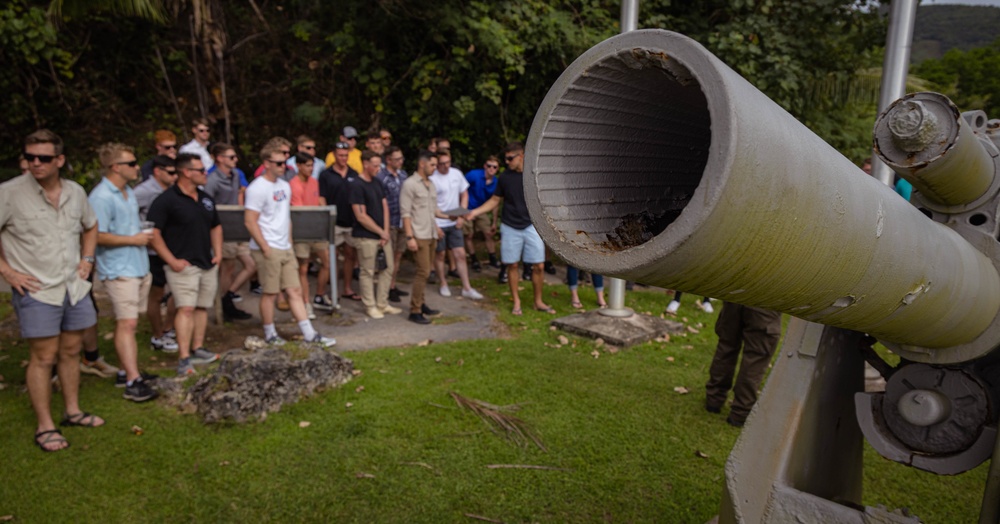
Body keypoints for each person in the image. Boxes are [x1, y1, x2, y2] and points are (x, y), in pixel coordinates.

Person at [0, 129, 105, 451]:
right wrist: (7, 271)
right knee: (43, 357)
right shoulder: (9, 193)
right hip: (37, 289)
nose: (35, 163)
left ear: (60, 160)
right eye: (30, 157)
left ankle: (72, 411)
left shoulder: (75, 191)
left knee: (72, 351)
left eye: (43, 158)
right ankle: (45, 426)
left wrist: (87, 259)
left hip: (72, 287)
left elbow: (90, 226)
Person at [244, 144, 336, 346]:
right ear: (266, 164)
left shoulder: (284, 186)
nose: (283, 166)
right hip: (267, 246)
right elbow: (250, 221)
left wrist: (289, 242)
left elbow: (286, 217)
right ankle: (270, 333)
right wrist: (265, 247)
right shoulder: (257, 188)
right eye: (278, 163)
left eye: (284, 162)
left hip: (285, 246)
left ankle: (309, 333)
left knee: (294, 290)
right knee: (269, 292)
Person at [88, 142, 158, 402]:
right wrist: (133, 240)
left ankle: (128, 371)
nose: (137, 167)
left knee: (130, 322)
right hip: (118, 268)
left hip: (137, 264)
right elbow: (96, 235)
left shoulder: (127, 191)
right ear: (115, 167)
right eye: (131, 163)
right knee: (126, 323)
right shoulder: (101, 197)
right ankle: (132, 380)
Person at [147, 153, 222, 376]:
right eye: (201, 170)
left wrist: (217, 252)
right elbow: (154, 232)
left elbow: (216, 226)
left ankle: (197, 347)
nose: (205, 174)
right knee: (186, 308)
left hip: (206, 262)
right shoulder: (166, 200)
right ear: (186, 172)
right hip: (182, 264)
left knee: (201, 306)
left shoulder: (206, 198)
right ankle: (183, 357)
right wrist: (170, 260)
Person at [467, 142, 552, 315]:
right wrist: (474, 212)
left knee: (539, 266)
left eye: (510, 158)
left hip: (531, 225)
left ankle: (538, 301)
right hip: (510, 226)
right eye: (506, 158)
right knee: (512, 265)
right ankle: (517, 302)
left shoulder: (533, 174)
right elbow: (494, 200)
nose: (507, 162)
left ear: (521, 155)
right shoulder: (505, 177)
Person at [705, 303, 782, 427]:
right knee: (756, 357)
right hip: (765, 300)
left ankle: (714, 399)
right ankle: (740, 412)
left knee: (726, 346)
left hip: (737, 293)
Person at [350, 150, 404, 319]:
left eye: (379, 165)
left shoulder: (377, 182)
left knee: (387, 268)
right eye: (374, 165)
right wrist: (381, 231)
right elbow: (361, 216)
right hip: (365, 236)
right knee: (368, 271)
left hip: (382, 235)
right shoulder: (356, 185)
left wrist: (385, 231)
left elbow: (385, 206)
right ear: (365, 164)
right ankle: (370, 305)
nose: (378, 168)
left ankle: (382, 302)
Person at [204, 143, 254, 321]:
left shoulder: (234, 175)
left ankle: (227, 297)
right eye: (231, 157)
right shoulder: (212, 179)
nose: (235, 160)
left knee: (250, 265)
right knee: (227, 268)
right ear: (219, 158)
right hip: (222, 229)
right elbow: (206, 204)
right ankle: (222, 306)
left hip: (237, 227)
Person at [134, 155, 179, 352]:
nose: (175, 176)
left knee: (178, 292)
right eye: (170, 172)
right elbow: (129, 216)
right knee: (156, 293)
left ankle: (168, 328)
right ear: (157, 172)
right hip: (152, 252)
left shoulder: (174, 190)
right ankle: (157, 335)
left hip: (174, 248)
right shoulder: (142, 192)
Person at [399, 150, 448, 324]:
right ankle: (415, 310)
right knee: (423, 271)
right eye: (433, 164)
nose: (436, 168)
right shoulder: (410, 184)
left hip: (431, 233)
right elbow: (405, 213)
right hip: (418, 234)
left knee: (426, 272)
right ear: (422, 164)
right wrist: (409, 237)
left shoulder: (431, 184)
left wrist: (448, 218)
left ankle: (422, 302)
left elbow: (432, 210)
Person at [429, 150, 483, 300]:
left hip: (455, 221)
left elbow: (464, 194)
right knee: (440, 254)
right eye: (442, 163)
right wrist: (435, 226)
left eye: (448, 162)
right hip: (439, 220)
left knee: (460, 254)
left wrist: (462, 215)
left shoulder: (456, 174)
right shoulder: (432, 178)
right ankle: (443, 283)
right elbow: (429, 204)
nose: (446, 166)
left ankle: (467, 287)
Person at [288, 152, 333, 317]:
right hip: (301, 231)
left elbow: (320, 202)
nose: (310, 168)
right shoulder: (293, 184)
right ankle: (305, 303)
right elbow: (300, 211)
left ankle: (319, 296)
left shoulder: (314, 182)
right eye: (307, 165)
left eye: (312, 165)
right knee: (303, 268)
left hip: (317, 229)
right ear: (298, 166)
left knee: (327, 262)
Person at [319, 141, 360, 301]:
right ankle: (332, 291)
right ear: (334, 155)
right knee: (332, 257)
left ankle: (347, 289)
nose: (343, 158)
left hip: (350, 221)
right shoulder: (325, 174)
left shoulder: (354, 173)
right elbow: (321, 196)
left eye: (345, 155)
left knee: (350, 255)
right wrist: (326, 216)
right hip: (334, 222)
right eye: (340, 155)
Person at [376, 146, 410, 302]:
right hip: (389, 222)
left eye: (401, 158)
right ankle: (385, 289)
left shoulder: (403, 175)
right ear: (388, 160)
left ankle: (392, 285)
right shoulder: (381, 177)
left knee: (398, 256)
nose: (400, 162)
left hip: (403, 220)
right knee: (388, 259)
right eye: (397, 159)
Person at [463, 156, 501, 271]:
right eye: (489, 166)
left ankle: (492, 257)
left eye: (494, 167)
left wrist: (494, 222)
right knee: (468, 235)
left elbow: (495, 203)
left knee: (489, 233)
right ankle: (474, 259)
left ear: (497, 169)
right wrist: (461, 208)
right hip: (467, 208)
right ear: (485, 166)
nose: (491, 169)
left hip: (481, 209)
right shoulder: (473, 175)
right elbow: (460, 189)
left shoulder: (496, 182)